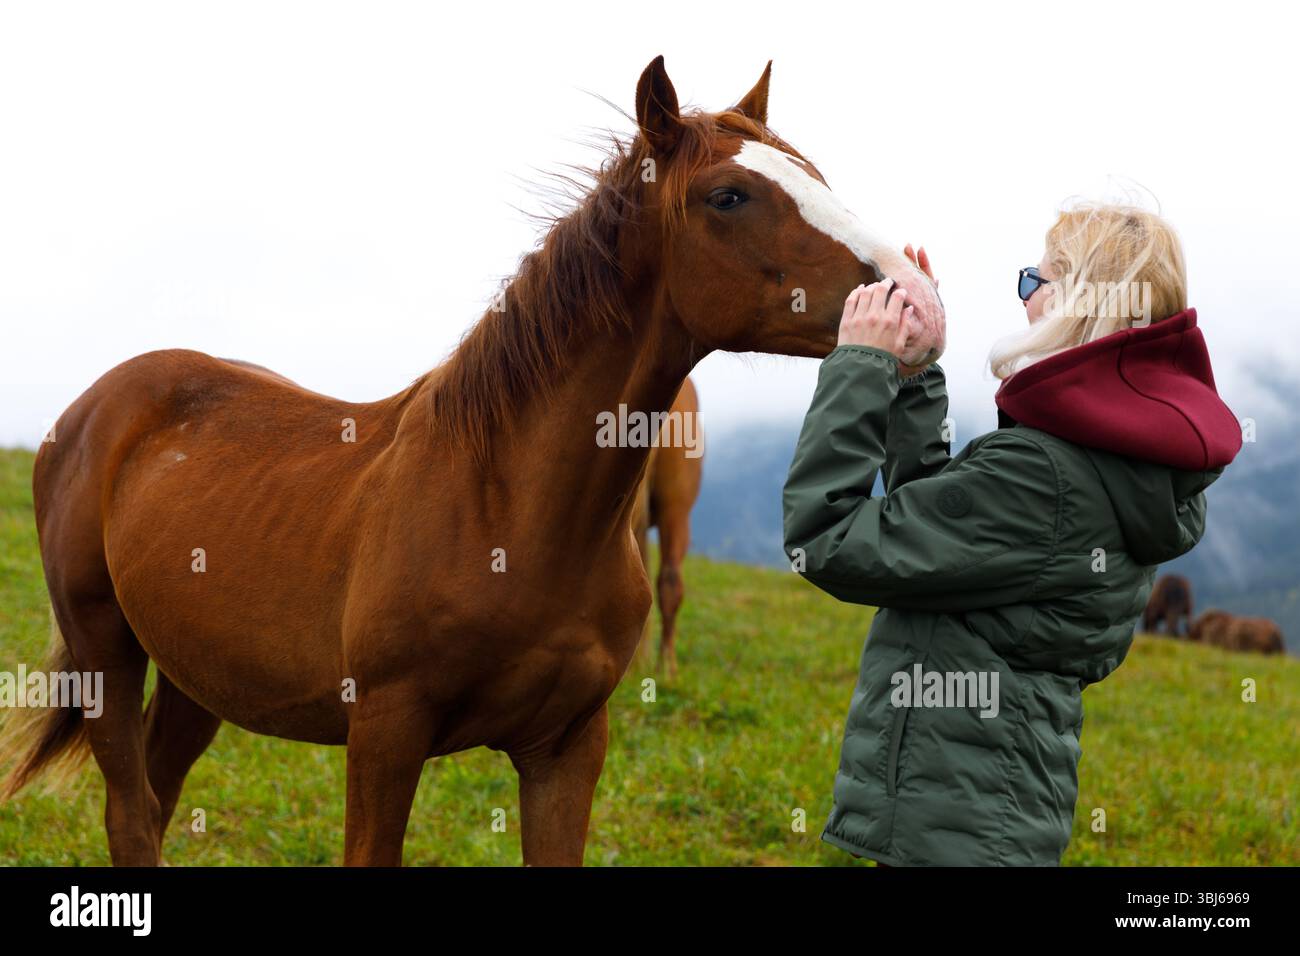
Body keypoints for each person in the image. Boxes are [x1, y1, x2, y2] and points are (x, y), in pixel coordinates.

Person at [782, 203, 1242, 866]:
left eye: (1037, 281)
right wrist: (912, 378)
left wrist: (860, 363)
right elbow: (938, 544)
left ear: (1081, 302)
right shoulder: (1111, 463)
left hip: (955, 827)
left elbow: (826, 537)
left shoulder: (1045, 475)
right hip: (983, 815)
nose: (1025, 300)